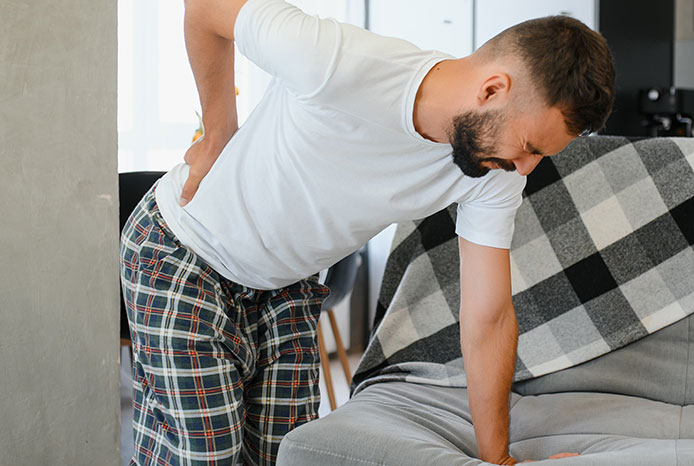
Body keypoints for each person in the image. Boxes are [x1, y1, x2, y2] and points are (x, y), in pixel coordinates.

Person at [119, 0, 615, 464]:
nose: (525, 168)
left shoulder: (497, 171)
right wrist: (219, 131)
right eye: (528, 145)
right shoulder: (335, 61)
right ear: (492, 90)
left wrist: (499, 460)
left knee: (287, 454)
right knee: (206, 454)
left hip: (285, 285)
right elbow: (205, 7)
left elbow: (488, 317)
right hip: (184, 252)